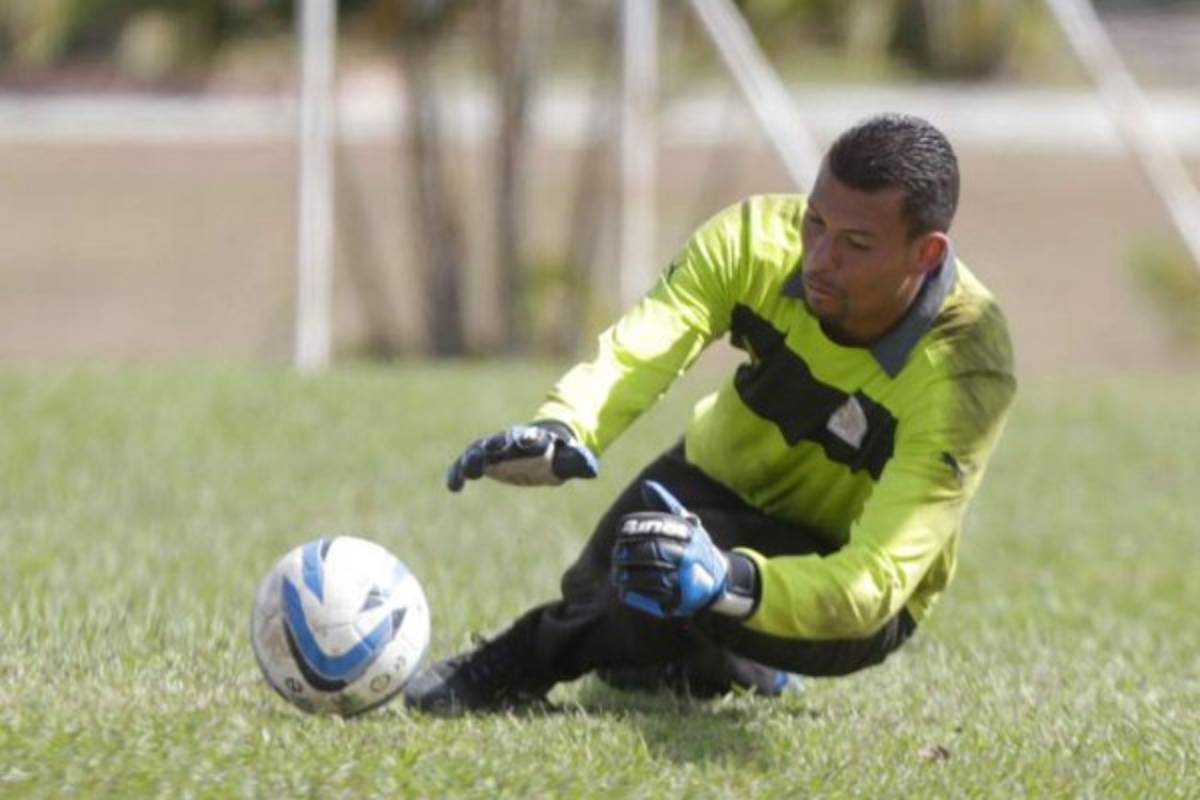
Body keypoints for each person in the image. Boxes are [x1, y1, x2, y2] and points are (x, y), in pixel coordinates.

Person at [404, 113, 1016, 714]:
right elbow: (649, 340)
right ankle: (725, 661)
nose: (820, 258)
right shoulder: (755, 242)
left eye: (856, 244)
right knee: (627, 629)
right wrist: (565, 424)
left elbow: (874, 581)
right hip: (713, 485)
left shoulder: (966, 366)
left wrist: (730, 581)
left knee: (637, 590)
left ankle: (516, 662)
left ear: (926, 254)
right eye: (815, 222)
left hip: (847, 580)